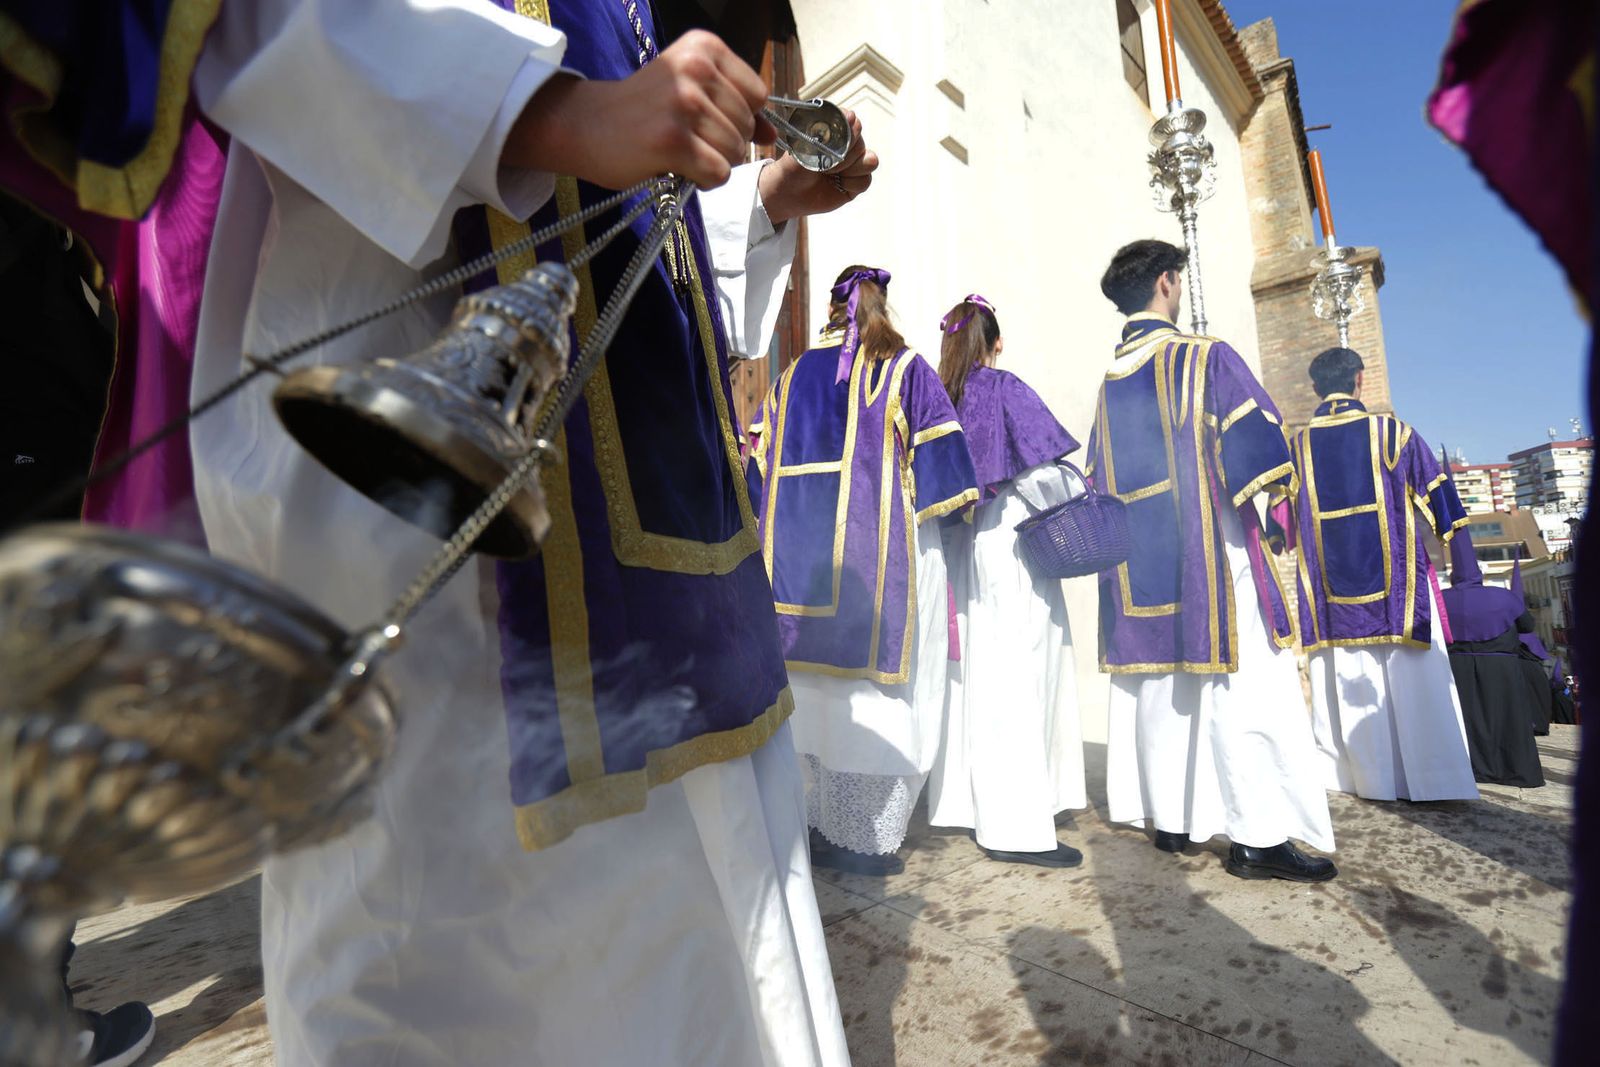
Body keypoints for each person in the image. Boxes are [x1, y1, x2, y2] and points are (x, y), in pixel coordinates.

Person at [158, 3, 880, 1063]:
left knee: (722, 926)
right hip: (427, 492)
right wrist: (551, 113)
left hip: (675, 539)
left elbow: (635, 227)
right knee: (483, 961)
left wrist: (755, 202)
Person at [1090, 239, 1336, 882]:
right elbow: (1259, 452)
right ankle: (1258, 835)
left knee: (1161, 688)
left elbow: (1095, 474)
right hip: (1211, 555)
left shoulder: (1108, 385)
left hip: (1138, 567)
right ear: (1169, 283)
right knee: (1244, 689)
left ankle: (1171, 818)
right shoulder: (1205, 357)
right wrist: (1281, 523)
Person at [748, 266, 978, 876]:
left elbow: (754, 469)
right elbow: (947, 474)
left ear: (829, 309)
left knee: (811, 696)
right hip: (877, 567)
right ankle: (862, 834)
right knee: (872, 698)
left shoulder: (790, 376)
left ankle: (810, 822)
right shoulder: (904, 369)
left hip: (794, 569)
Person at [925, 294, 1087, 867]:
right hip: (1016, 550)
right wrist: (1078, 491)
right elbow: (1044, 473)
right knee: (1022, 677)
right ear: (995, 344)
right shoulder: (1002, 388)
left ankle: (979, 805)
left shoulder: (941, 399)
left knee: (978, 681)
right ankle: (1017, 826)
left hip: (963, 554)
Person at [1289, 348, 1478, 803]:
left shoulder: (1295, 446)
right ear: (1360, 380)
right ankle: (1434, 779)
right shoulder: (1393, 434)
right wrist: (1450, 536)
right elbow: (1442, 503)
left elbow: (1280, 525)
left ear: (1316, 387)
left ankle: (1358, 779)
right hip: (1398, 588)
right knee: (1412, 683)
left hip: (1330, 596)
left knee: (1342, 677)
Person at [1440, 532, 1547, 787]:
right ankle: (1513, 771)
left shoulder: (1441, 599)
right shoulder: (1503, 597)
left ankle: (1473, 770)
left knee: (1468, 719)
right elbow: (1527, 626)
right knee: (1508, 718)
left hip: (1457, 668)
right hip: (1501, 667)